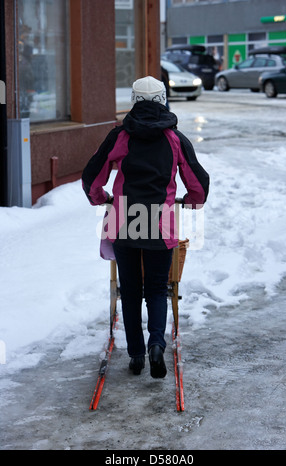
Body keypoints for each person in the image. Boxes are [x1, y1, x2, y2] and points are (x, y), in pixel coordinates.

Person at [82, 76, 209, 378]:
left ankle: (136, 355)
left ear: (134, 100)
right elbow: (198, 182)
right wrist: (191, 201)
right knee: (156, 288)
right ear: (164, 99)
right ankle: (156, 344)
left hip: (124, 220)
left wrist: (101, 198)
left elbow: (92, 175)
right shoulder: (175, 138)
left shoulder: (120, 136)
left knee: (130, 290)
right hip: (160, 223)